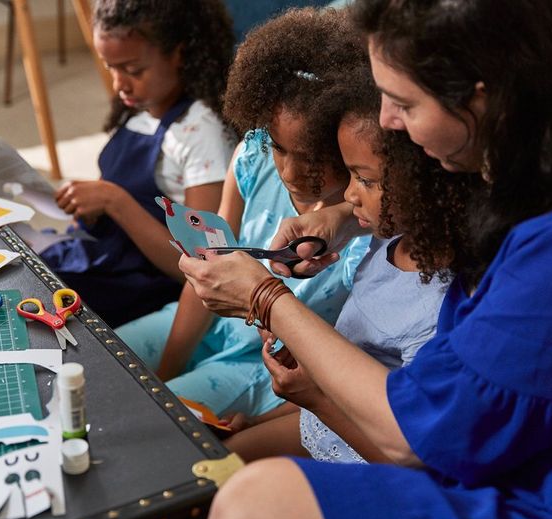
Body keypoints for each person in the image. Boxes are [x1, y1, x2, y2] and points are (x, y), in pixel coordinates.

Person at [179, 1, 552, 519]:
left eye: (403, 103)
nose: (389, 119)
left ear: (482, 95)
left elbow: (413, 438)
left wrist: (265, 300)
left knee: (258, 502)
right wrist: (347, 215)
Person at [116, 8, 372, 417]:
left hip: (262, 367)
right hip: (207, 320)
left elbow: (344, 371)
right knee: (107, 363)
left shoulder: (367, 230)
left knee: (149, 418)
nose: (289, 172)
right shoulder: (251, 158)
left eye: (312, 158)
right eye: (279, 146)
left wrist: (258, 425)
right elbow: (205, 273)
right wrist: (166, 372)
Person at [225, 120, 481, 464]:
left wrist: (313, 395)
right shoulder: (389, 240)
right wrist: (257, 423)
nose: (348, 195)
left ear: (428, 182)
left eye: (365, 179)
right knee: (219, 460)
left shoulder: (440, 308)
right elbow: (345, 376)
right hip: (320, 424)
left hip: (366, 459)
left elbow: (410, 455)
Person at [41, 0, 236, 327]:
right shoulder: (141, 106)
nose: (119, 85)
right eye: (109, 68)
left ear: (179, 53)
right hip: (102, 254)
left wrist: (115, 201)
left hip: (141, 283)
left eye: (133, 70)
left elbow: (207, 266)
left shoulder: (201, 132)